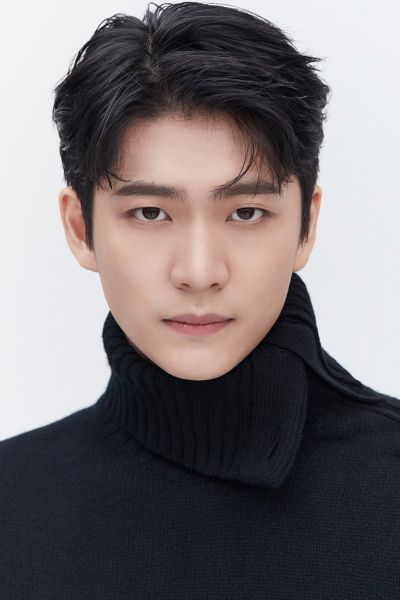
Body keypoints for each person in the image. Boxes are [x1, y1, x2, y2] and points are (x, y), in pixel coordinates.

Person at [1, 2, 399, 598]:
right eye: (150, 213)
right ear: (81, 229)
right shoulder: (13, 503)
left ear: (306, 227)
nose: (199, 272)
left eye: (246, 212)